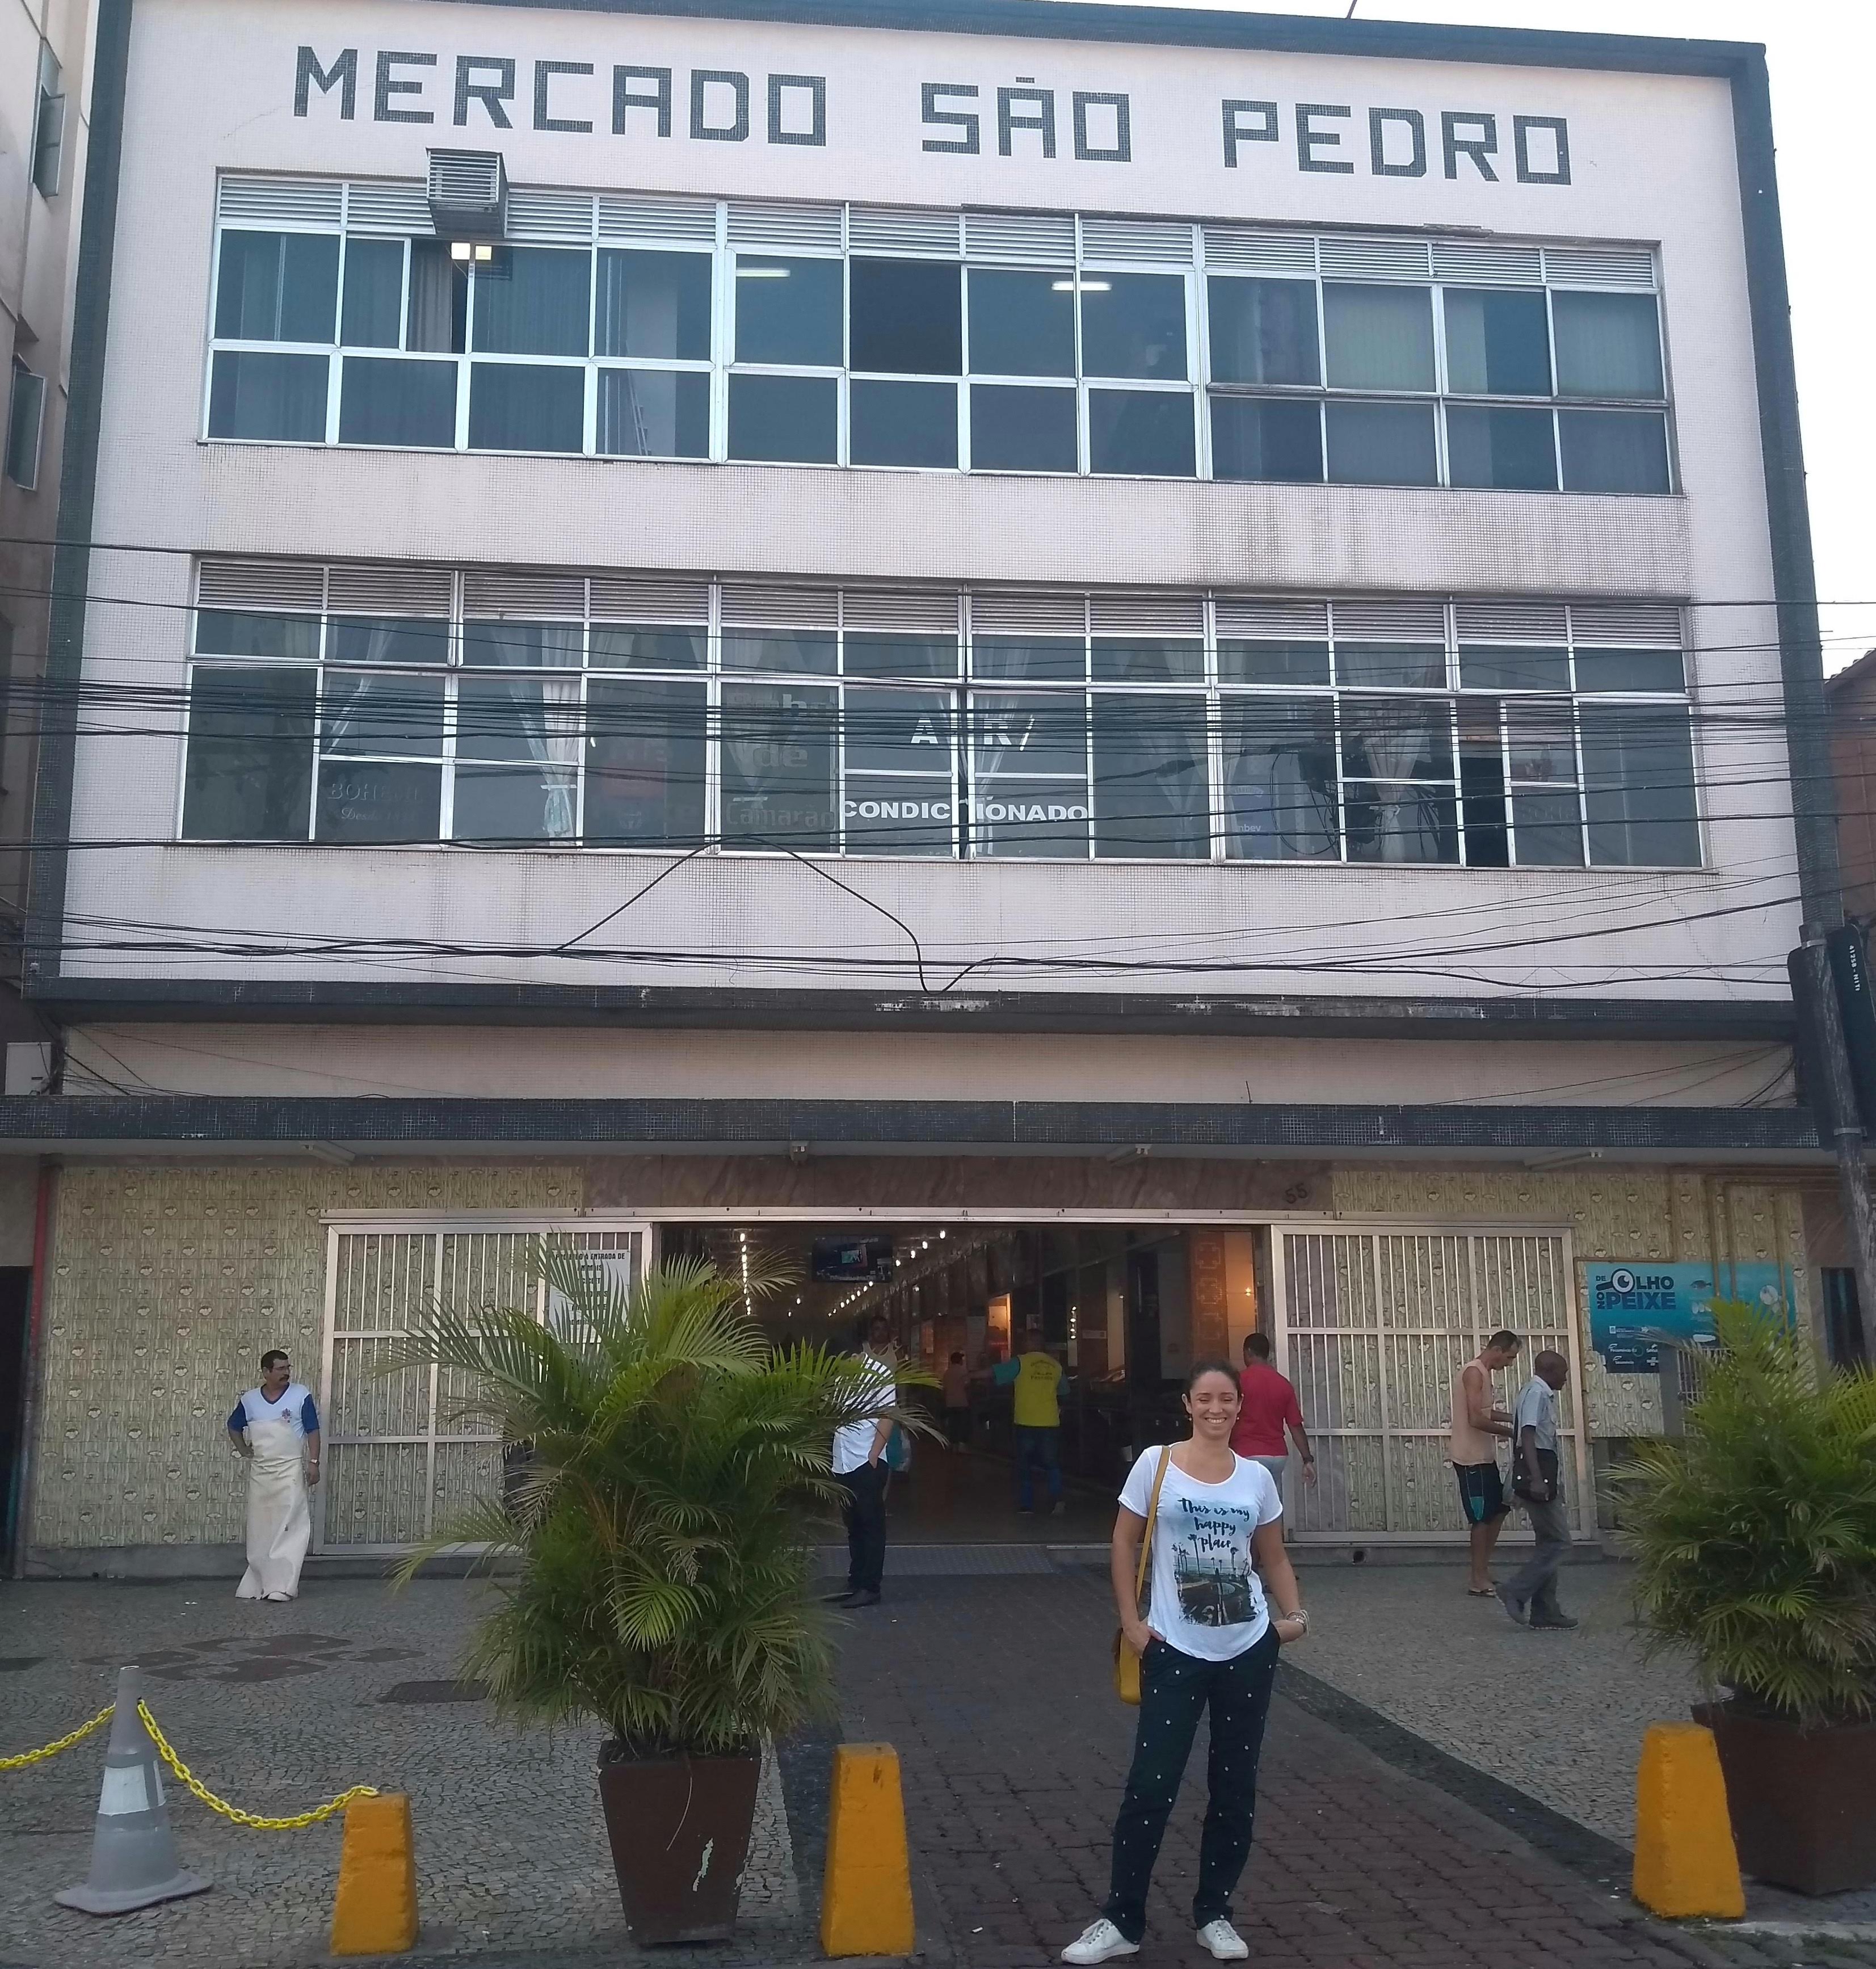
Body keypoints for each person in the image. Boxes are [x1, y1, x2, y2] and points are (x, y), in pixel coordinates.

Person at [1062, 1362, 1309, 1965]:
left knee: (1234, 1787)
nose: (1216, 1408)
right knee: (1150, 1786)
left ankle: (1215, 1912)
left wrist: (1295, 1617)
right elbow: (1123, 1539)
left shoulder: (1256, 1478)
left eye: (1227, 1399)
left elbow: (1271, 1556)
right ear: (1188, 1403)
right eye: (1205, 1398)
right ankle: (1121, 1918)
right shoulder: (1157, 1462)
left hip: (1247, 1650)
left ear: (1240, 1405)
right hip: (1173, 1649)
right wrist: (1131, 1621)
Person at [226, 1349, 319, 1602]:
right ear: (266, 1372)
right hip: (261, 1472)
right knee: (261, 1527)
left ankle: (284, 1585)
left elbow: (313, 1430)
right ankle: (258, 1582)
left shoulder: (301, 1395)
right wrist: (245, 1450)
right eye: (280, 1369)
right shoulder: (250, 1400)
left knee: (291, 1524)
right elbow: (234, 1426)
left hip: (289, 1470)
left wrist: (313, 1462)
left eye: (288, 1367)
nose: (286, 1372)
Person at [1498, 1349, 1577, 1631]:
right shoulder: (1537, 1393)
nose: (1566, 1379)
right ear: (1549, 1370)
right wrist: (1536, 1478)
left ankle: (1546, 1611)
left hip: (1544, 1471)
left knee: (1547, 1544)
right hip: (1538, 1472)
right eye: (1564, 1373)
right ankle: (1515, 1590)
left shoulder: (1538, 1392)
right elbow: (1527, 1435)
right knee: (1559, 1542)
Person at [827, 1315, 896, 1609]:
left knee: (871, 1526)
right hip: (842, 1462)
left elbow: (888, 1415)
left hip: (866, 1463)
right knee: (854, 1525)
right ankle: (855, 1581)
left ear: (858, 1353)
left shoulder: (880, 1375)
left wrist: (873, 1455)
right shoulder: (840, 1376)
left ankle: (871, 1586)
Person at [1449, 1329, 1522, 1596]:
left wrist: (1515, 1417)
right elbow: (1475, 1420)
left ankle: (1484, 1569)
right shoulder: (1473, 1372)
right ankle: (1477, 1579)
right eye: (1510, 1357)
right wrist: (1513, 1433)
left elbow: (1486, 1412)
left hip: (1484, 1456)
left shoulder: (1484, 1374)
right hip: (1470, 1459)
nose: (1510, 1363)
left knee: (1499, 1511)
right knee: (1480, 1519)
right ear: (1498, 1350)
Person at [1229, 1332, 1315, 1496]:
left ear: (1247, 1352)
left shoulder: (1239, 1382)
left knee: (1249, 1505)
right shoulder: (1284, 1384)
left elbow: (1228, 1417)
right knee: (1269, 1504)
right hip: (1278, 1457)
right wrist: (1307, 1459)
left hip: (1249, 1454)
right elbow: (1295, 1426)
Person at [994, 1327, 1066, 1516]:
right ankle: (1057, 1500)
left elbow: (995, 1374)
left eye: (1025, 1341)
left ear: (1031, 1343)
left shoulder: (1021, 1362)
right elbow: (1064, 1391)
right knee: (1052, 1463)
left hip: (1026, 1421)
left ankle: (1027, 1505)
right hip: (1050, 1422)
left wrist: (970, 1375)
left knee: (1024, 1464)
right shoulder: (1056, 1366)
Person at [942, 1350, 971, 1447]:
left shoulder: (947, 1373)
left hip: (950, 1403)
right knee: (962, 1424)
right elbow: (967, 1386)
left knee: (953, 1425)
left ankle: (953, 1445)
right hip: (962, 1402)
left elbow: (944, 1388)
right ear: (959, 1360)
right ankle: (961, 1445)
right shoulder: (963, 1371)